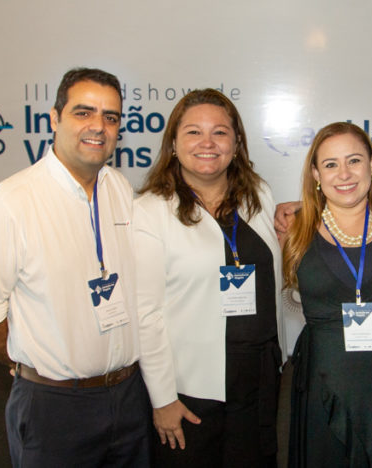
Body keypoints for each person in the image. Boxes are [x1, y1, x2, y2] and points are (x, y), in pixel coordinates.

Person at [0, 68, 151, 467]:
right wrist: (32, 367)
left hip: (131, 397)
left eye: (111, 117)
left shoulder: (119, 188)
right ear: (54, 119)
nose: (98, 126)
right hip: (54, 408)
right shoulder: (13, 200)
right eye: (84, 112)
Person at [134, 89, 285, 467]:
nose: (207, 143)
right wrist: (163, 399)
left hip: (260, 379)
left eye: (219, 132)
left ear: (236, 144)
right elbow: (146, 314)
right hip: (191, 389)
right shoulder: (150, 212)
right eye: (193, 132)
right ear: (173, 143)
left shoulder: (259, 195)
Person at [282, 122, 372, 467]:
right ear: (316, 173)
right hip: (325, 380)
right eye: (331, 164)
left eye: (354, 160)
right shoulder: (293, 229)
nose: (344, 174)